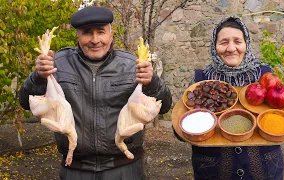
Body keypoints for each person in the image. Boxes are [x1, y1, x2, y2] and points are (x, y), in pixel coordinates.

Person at [19, 6, 172, 180]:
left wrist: (152, 82)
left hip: (125, 168)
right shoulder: (58, 64)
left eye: (101, 32)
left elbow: (165, 105)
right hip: (75, 169)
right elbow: (25, 102)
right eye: (87, 33)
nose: (95, 40)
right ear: (77, 35)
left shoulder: (132, 65)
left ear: (110, 34)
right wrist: (38, 77)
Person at [174, 16, 284, 179]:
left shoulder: (264, 75)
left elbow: (281, 113)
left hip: (264, 170)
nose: (231, 48)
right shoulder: (201, 80)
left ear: (246, 43)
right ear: (214, 46)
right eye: (224, 42)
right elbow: (180, 129)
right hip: (212, 171)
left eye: (237, 41)